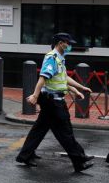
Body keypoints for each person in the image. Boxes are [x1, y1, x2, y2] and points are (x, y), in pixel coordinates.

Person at [15, 33, 94, 172]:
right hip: (52, 102)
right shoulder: (51, 58)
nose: (69, 46)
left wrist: (79, 88)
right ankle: (79, 160)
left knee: (39, 129)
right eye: (67, 43)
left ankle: (25, 155)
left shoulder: (60, 58)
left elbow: (63, 79)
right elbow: (42, 78)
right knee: (65, 131)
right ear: (59, 43)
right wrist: (34, 95)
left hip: (54, 100)